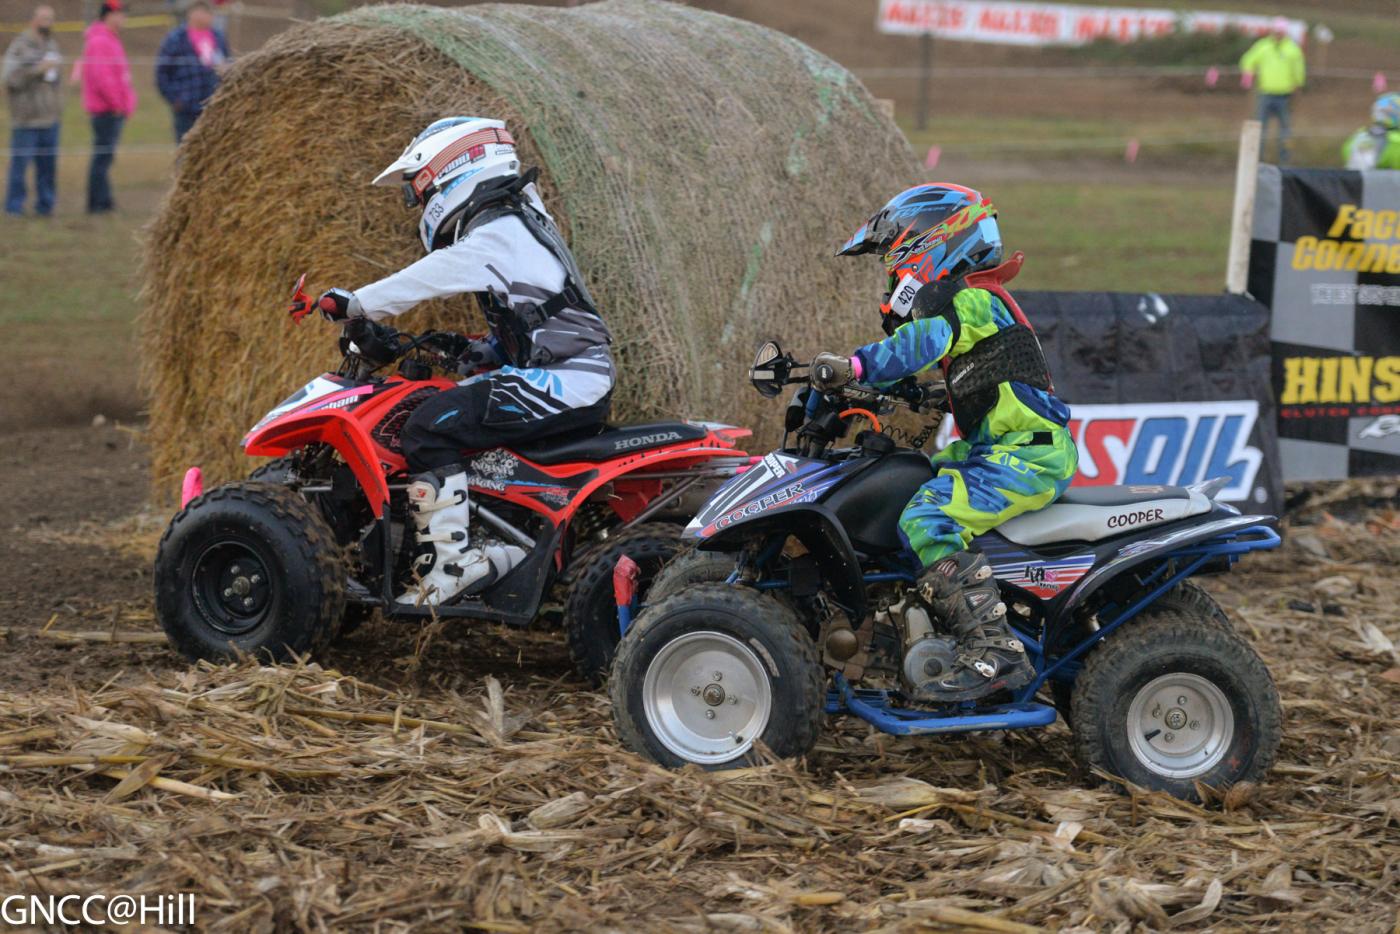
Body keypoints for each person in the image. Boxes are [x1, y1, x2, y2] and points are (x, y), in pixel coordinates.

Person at [304, 117, 614, 607]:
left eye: (420, 191)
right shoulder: (518, 223)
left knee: (428, 428)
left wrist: (354, 303)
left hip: (566, 380)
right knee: (458, 406)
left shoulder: (500, 231)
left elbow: (427, 277)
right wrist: (475, 349)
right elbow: (536, 316)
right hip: (567, 374)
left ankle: (452, 562)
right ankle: (500, 545)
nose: (420, 205)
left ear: (452, 173)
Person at [811, 184, 1077, 702]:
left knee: (926, 517)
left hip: (1026, 453)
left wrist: (856, 365)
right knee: (915, 478)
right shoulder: (974, 306)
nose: (891, 270)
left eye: (893, 254)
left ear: (931, 242)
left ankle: (994, 650)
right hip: (1002, 449)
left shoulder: (971, 299)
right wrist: (861, 388)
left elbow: (921, 343)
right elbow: (922, 365)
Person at [74, 0, 136, 213]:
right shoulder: (100, 41)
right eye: (120, 13)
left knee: (106, 157)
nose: (123, 18)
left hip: (113, 109)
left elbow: (120, 76)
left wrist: (127, 103)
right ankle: (98, 203)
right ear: (109, 15)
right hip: (106, 110)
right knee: (102, 157)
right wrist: (117, 104)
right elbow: (102, 78)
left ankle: (104, 199)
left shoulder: (111, 39)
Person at [3, 5, 62, 217]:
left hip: (50, 118)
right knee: (20, 167)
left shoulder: (51, 45)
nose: (48, 22)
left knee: (47, 168)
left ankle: (45, 206)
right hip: (27, 119)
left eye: (51, 18)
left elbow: (56, 80)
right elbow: (10, 79)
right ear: (33, 20)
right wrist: (38, 70)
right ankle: (13, 207)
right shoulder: (20, 46)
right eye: (44, 18)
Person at [155, 0, 229, 142]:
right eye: (204, 12)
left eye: (210, 13)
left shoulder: (218, 37)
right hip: (186, 107)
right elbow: (162, 72)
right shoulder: (176, 38)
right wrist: (175, 99)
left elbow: (226, 61)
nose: (209, 16)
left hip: (213, 106)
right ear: (192, 14)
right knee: (185, 150)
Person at [1239, 18, 1305, 165]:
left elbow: (1299, 69)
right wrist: (1248, 73)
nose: (1278, 34)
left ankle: (1285, 161)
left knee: (1285, 130)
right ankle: (1258, 160)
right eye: (1276, 31)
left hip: (1285, 96)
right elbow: (1248, 59)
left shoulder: (1292, 49)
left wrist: (1298, 84)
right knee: (1260, 129)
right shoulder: (1263, 46)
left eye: (1281, 31)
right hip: (1265, 94)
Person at [1343, 93, 1400, 170]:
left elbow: (1345, 153)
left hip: (1354, 180)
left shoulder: (1358, 136)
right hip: (1384, 181)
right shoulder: (1395, 140)